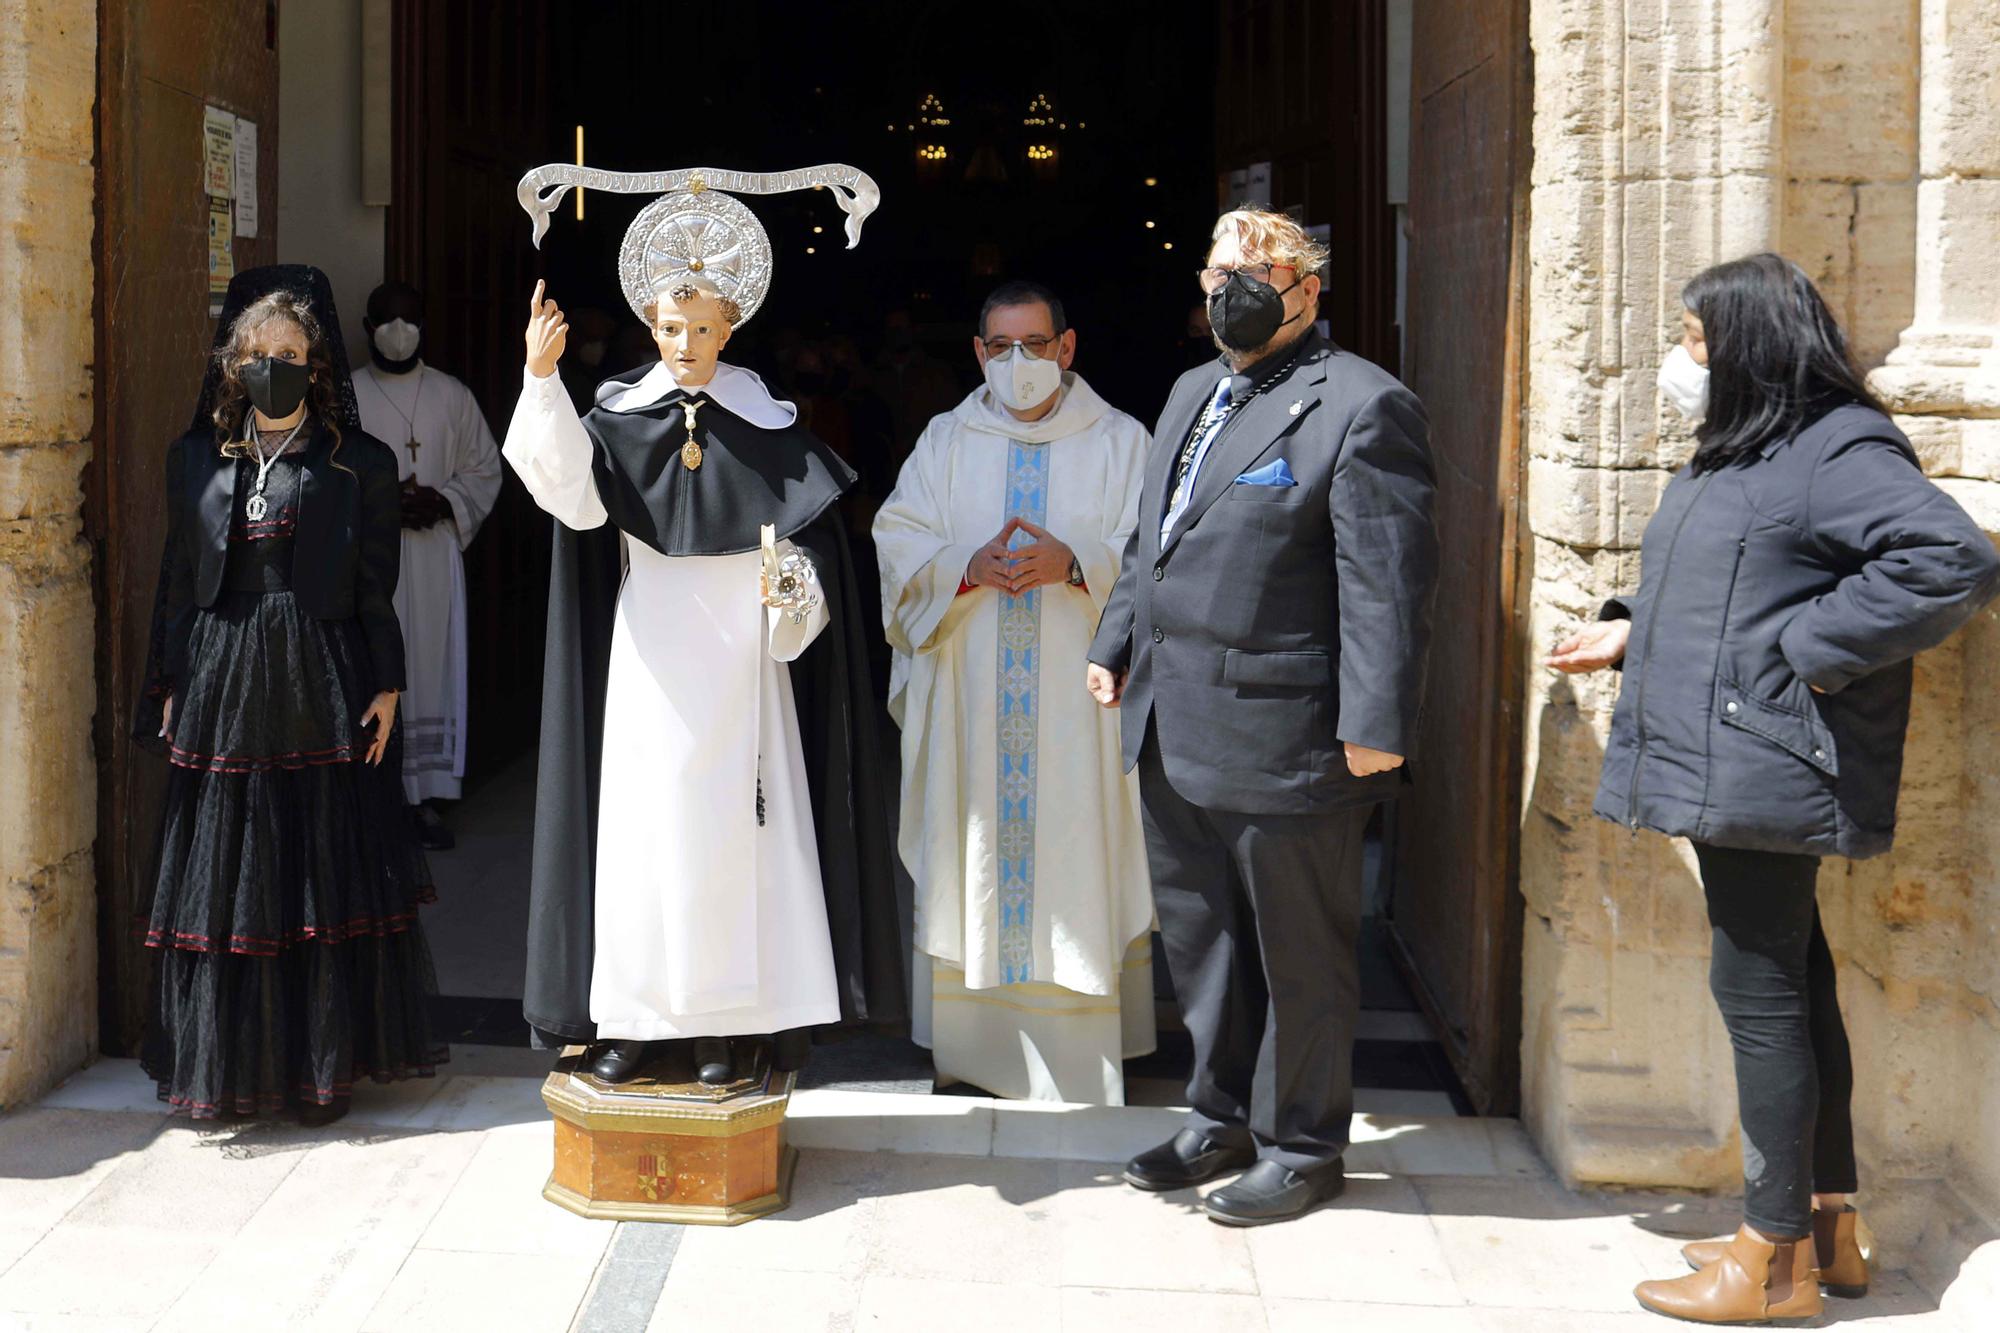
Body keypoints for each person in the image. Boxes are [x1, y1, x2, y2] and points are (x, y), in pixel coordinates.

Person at [1548, 253, 2000, 1324]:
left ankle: (1770, 1258)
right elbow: (1715, 578)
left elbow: (1947, 559)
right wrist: (1626, 626)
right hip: (1730, 755)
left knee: (1757, 997)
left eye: (1694, 338)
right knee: (1790, 984)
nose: (1678, 357)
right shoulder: (1744, 450)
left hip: (1759, 759)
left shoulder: (1833, 447)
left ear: (1748, 340)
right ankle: (1824, 1227)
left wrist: (1805, 645)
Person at [1086, 208, 1439, 1224]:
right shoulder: (1191, 389)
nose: (1230, 286)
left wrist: (1375, 721)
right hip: (1172, 721)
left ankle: (1303, 1143)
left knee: (1299, 950)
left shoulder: (1361, 406)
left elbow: (1384, 584)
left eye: (1255, 269)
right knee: (1202, 940)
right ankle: (1217, 1116)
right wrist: (1114, 646)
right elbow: (1148, 537)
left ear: (1304, 285)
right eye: (1216, 269)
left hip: (1288, 731)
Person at [503, 265, 903, 1085]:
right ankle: (639, 1019)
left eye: (703, 328)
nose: (685, 345)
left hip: (743, 662)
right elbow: (573, 499)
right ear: (651, 325)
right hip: (649, 652)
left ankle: (725, 1027)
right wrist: (541, 382)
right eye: (670, 327)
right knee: (643, 836)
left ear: (731, 327)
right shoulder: (619, 415)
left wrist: (791, 588)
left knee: (731, 840)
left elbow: (813, 553)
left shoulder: (769, 423)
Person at [135, 264, 443, 1125]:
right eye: (260, 352)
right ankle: (229, 1067)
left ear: (316, 364)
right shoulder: (194, 457)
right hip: (223, 670)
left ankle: (317, 1070)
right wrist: (165, 680)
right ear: (234, 363)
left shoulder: (358, 465)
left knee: (313, 859)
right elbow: (176, 578)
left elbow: (375, 586)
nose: (276, 364)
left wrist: (387, 682)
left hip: (321, 667)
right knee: (231, 865)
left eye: (293, 353)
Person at [874, 280, 1155, 1104]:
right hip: (971, 692)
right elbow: (897, 539)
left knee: (1079, 850)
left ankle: (1081, 1054)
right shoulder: (945, 439)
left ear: (1067, 349)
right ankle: (978, 1050)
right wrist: (962, 566)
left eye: (1035, 345)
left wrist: (1077, 562)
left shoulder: (1120, 441)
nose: (1018, 362)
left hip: (1080, 699)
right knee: (979, 859)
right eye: (1001, 347)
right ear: (979, 353)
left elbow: (1156, 550)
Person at [352, 280, 503, 849]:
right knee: (376, 668)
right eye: (387, 319)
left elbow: (485, 468)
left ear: (424, 327)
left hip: (435, 554)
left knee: (431, 666)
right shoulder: (350, 395)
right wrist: (385, 501)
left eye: (409, 319)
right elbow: (329, 474)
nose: (399, 329)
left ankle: (427, 801)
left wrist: (443, 501)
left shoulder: (451, 395)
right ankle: (379, 797)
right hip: (373, 560)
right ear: (368, 327)